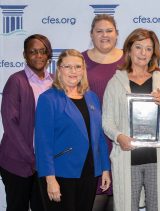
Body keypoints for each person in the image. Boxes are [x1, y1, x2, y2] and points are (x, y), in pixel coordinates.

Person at [102, 28, 160, 211]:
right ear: (129, 49)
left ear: (154, 53)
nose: (143, 53)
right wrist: (119, 137)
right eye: (138, 47)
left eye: (148, 49)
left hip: (157, 159)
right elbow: (107, 121)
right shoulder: (115, 82)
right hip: (127, 157)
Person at [34, 49, 111, 211]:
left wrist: (105, 168)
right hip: (61, 173)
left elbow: (99, 137)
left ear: (83, 70)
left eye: (77, 67)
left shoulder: (92, 97)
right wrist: (50, 179)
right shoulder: (48, 99)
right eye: (68, 67)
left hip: (90, 172)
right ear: (59, 69)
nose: (73, 71)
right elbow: (43, 143)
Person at [0, 34, 53, 211]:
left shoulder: (54, 82)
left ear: (48, 55)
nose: (38, 55)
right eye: (33, 51)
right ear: (25, 54)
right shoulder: (16, 81)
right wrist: (31, 158)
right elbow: (10, 123)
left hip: (45, 164)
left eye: (42, 51)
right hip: (17, 162)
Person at [82, 14, 124, 211]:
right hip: (92, 140)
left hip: (121, 140)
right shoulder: (79, 62)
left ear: (117, 34)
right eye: (99, 31)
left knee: (121, 198)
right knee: (93, 200)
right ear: (91, 34)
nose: (104, 35)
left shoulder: (129, 60)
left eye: (109, 31)